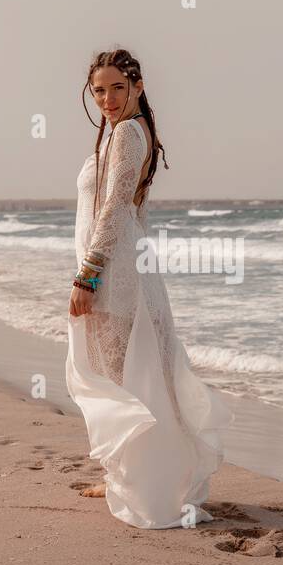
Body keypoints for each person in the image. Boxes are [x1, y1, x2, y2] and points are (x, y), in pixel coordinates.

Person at [65, 47, 234, 529]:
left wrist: (88, 274)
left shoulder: (128, 134)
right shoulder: (122, 133)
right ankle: (125, 473)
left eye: (118, 87)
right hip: (120, 266)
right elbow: (129, 212)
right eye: (99, 90)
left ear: (138, 86)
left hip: (114, 273)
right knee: (123, 377)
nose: (108, 98)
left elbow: (116, 207)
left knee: (122, 379)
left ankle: (144, 483)